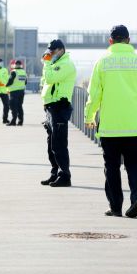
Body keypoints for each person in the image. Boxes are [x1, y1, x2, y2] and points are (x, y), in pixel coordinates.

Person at [84, 25, 137, 218]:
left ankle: (116, 207)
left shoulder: (102, 62)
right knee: (134, 164)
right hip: (134, 126)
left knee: (112, 167)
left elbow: (94, 94)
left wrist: (89, 117)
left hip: (110, 127)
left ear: (110, 41)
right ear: (128, 40)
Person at [40, 39, 77, 187]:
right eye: (49, 51)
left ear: (61, 50)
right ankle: (55, 173)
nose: (50, 54)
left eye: (53, 51)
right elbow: (46, 82)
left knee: (59, 144)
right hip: (51, 107)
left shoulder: (65, 64)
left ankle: (65, 176)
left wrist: (47, 63)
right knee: (51, 144)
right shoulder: (55, 64)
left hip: (59, 107)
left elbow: (50, 78)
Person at [5, 59, 27, 126]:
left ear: (15, 65)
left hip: (14, 92)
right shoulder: (24, 72)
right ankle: (20, 121)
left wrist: (6, 85)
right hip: (21, 92)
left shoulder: (14, 72)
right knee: (20, 106)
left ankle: (13, 121)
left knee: (13, 107)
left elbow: (10, 81)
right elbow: (25, 82)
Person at [0, 57, 10, 124]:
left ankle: (5, 119)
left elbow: (7, 79)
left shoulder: (4, 70)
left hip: (4, 90)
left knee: (6, 105)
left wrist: (2, 83)